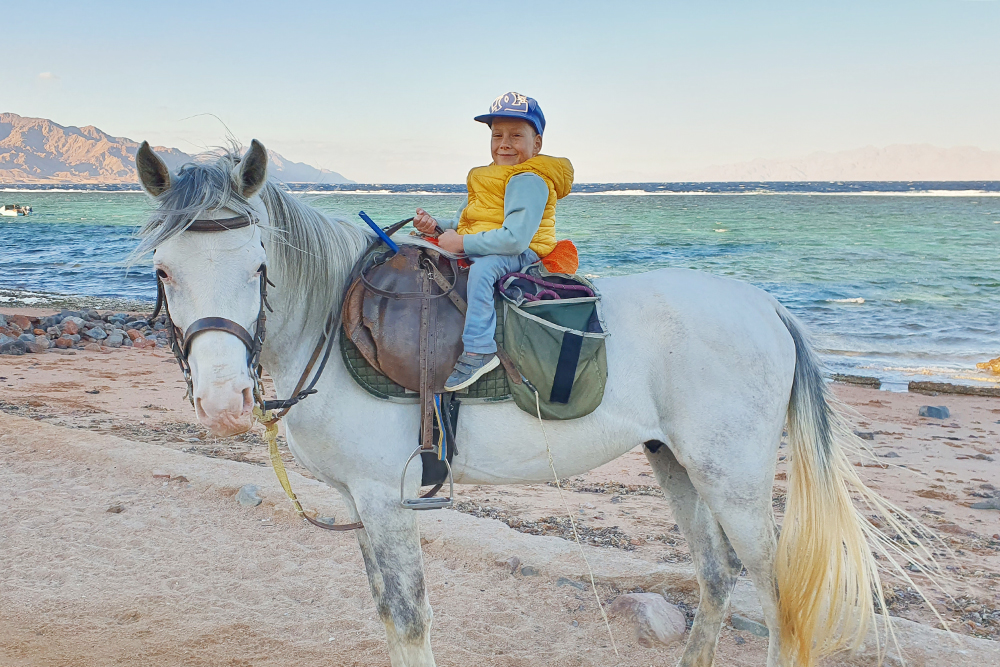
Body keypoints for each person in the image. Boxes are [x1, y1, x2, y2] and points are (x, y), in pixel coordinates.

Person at [413, 92, 574, 391]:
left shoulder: (529, 179)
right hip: (494, 242)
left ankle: (479, 349)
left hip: (525, 251)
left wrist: (461, 243)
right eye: (497, 134)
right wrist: (435, 227)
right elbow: (468, 225)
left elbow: (514, 240)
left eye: (516, 135)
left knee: (484, 270)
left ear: (536, 143)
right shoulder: (489, 177)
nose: (504, 143)